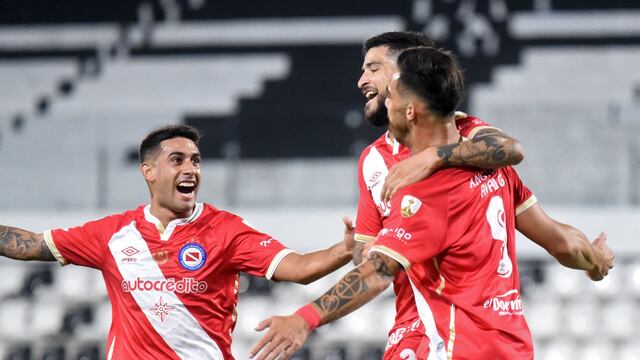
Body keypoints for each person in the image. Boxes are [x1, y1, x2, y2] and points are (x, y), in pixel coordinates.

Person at [249, 47, 614, 360]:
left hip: (457, 347)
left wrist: (305, 319)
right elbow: (561, 241)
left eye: (390, 95)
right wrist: (595, 261)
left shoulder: (425, 190)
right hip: (513, 347)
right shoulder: (492, 165)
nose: (384, 102)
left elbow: (377, 271)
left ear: (410, 111)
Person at [0, 124, 356, 359]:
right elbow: (32, 245)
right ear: (149, 172)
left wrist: (343, 250)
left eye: (196, 161)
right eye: (178, 160)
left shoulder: (226, 230)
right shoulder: (112, 233)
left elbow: (299, 269)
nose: (191, 169)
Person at [354, 31, 525, 359]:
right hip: (411, 325)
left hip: (466, 327)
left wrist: (435, 156)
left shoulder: (467, 132)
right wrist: (364, 246)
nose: (362, 80)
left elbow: (510, 149)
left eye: (373, 69)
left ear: (405, 73)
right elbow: (367, 258)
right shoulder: (372, 161)